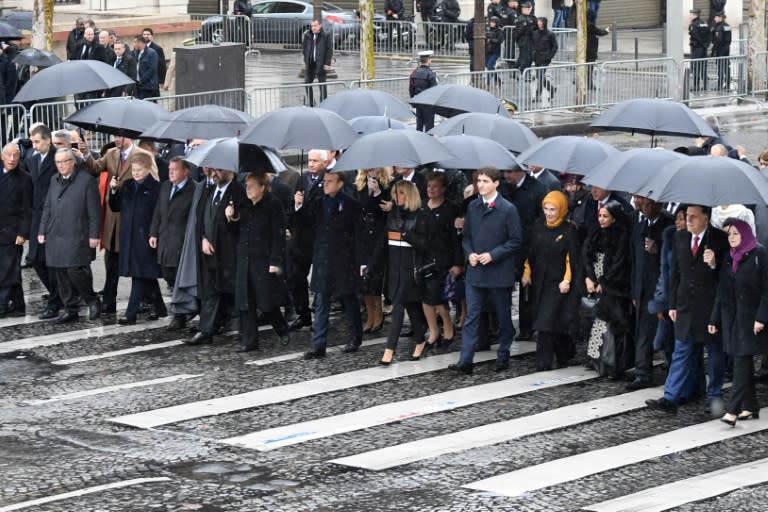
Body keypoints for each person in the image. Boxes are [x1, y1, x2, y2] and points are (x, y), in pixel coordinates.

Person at [646, 205, 729, 415]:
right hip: (685, 307)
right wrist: (672, 303)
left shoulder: (719, 239)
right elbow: (675, 274)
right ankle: (670, 398)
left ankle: (714, 397)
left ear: (706, 218)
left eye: (693, 217)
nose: (688, 220)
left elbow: (727, 275)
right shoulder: (680, 237)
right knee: (681, 351)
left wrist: (714, 264)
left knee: (715, 355)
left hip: (710, 308)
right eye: (686, 217)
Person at [449, 167, 522, 374]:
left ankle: (503, 354)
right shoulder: (473, 206)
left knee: (502, 315)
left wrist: (493, 254)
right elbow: (467, 236)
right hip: (475, 272)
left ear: (496, 183)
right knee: (471, 316)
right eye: (479, 180)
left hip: (498, 272)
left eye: (485, 181)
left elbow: (516, 240)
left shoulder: (508, 209)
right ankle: (466, 360)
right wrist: (470, 253)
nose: (480, 184)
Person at [81, 135, 158, 315]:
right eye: (115, 136)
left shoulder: (143, 154)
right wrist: (86, 155)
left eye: (120, 136)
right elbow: (95, 168)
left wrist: (128, 186)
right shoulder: (111, 154)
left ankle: (150, 301)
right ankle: (109, 301)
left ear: (129, 136)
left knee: (138, 263)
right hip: (113, 219)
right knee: (111, 262)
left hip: (133, 218)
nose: (116, 139)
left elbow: (154, 183)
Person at [299, 171, 366, 359]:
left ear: (340, 183)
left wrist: (361, 261)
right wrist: (300, 204)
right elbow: (304, 222)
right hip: (323, 259)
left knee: (348, 299)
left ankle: (355, 336)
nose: (325, 184)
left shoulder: (352, 204)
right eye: (324, 181)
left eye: (329, 182)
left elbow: (359, 235)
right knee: (321, 302)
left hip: (344, 260)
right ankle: (318, 344)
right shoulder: (318, 202)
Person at [708, 218, 767, 426]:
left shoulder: (759, 253)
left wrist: (762, 317)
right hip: (732, 318)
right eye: (729, 234)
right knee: (742, 360)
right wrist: (714, 318)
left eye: (735, 233)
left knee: (741, 361)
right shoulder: (729, 257)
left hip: (751, 319)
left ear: (745, 234)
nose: (731, 238)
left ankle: (732, 410)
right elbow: (721, 290)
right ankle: (750, 406)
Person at [38, 148, 102, 324]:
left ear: (72, 162)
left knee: (74, 270)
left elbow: (95, 211)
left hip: (77, 233)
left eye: (64, 161)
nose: (60, 165)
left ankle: (92, 300)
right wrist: (42, 229)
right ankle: (70, 308)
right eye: (57, 162)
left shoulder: (86, 180)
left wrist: (94, 235)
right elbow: (47, 207)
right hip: (55, 233)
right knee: (60, 272)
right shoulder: (54, 180)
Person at [186, 168, 247, 346]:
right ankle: (206, 330)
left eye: (219, 170)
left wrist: (233, 217)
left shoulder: (238, 192)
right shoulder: (210, 190)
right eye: (212, 170)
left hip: (229, 253)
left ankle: (242, 329)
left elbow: (244, 223)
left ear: (230, 171)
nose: (214, 173)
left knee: (234, 293)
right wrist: (203, 238)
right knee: (212, 292)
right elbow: (201, 218)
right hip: (210, 251)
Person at [231, 173, 291, 352]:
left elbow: (278, 236)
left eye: (251, 186)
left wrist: (275, 260)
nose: (247, 189)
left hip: (263, 260)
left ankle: (282, 328)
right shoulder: (245, 204)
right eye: (246, 186)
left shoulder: (273, 205)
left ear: (262, 187)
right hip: (245, 259)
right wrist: (231, 218)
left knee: (267, 302)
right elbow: (235, 231)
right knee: (246, 302)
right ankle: (250, 342)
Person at [522, 190, 578, 370]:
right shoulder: (538, 226)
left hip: (557, 283)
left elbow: (571, 258)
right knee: (552, 321)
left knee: (546, 322)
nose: (549, 213)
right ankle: (566, 354)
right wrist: (526, 273)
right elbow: (529, 253)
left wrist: (567, 280)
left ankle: (543, 363)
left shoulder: (568, 230)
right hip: (539, 282)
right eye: (546, 209)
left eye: (553, 209)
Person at [108, 152, 166, 325]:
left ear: (148, 169)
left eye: (140, 170)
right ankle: (160, 307)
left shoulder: (156, 188)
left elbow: (158, 215)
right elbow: (115, 206)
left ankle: (130, 314)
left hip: (146, 237)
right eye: (134, 169)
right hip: (129, 236)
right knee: (145, 274)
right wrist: (113, 190)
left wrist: (154, 233)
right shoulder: (126, 185)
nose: (136, 173)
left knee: (139, 274)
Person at [412, 173, 463, 358]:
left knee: (437, 297)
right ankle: (433, 331)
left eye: (435, 186)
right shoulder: (422, 207)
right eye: (428, 186)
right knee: (426, 297)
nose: (430, 189)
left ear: (443, 189)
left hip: (443, 259)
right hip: (425, 259)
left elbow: (454, 239)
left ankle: (448, 328)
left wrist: (458, 263)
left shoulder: (450, 209)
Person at [379, 180, 427, 365]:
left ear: (409, 195)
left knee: (398, 306)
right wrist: (371, 265)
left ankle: (389, 349)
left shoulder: (419, 216)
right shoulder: (392, 216)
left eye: (400, 193)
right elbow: (382, 244)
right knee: (413, 309)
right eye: (394, 193)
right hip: (394, 271)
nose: (395, 196)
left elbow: (424, 245)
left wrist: (407, 234)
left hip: (410, 272)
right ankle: (421, 339)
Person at [583, 201, 633, 378]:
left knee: (613, 325)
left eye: (606, 216)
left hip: (614, 287)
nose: (602, 220)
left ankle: (613, 363)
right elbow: (587, 256)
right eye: (600, 216)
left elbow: (619, 263)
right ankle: (596, 359)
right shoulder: (595, 233)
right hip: (598, 282)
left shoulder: (621, 236)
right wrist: (591, 277)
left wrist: (604, 282)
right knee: (597, 323)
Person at [628, 197, 673, 390]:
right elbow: (633, 261)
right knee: (643, 332)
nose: (641, 206)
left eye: (646, 202)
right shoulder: (639, 227)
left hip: (662, 289)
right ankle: (642, 372)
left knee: (666, 332)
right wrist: (634, 291)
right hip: (642, 289)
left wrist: (658, 249)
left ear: (658, 204)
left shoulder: (669, 226)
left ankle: (673, 370)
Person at [288, 149, 333, 331]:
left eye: (315, 160)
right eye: (309, 160)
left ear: (324, 163)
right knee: (296, 276)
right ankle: (303, 313)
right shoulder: (303, 178)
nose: (311, 164)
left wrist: (305, 204)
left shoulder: (328, 179)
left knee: (321, 280)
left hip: (320, 236)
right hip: (302, 237)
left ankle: (322, 317)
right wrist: (297, 204)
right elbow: (295, 209)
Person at [149, 156, 195, 331]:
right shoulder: (166, 186)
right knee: (168, 275)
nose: (171, 173)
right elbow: (158, 212)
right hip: (166, 239)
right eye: (169, 170)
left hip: (181, 240)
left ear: (185, 172)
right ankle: (186, 310)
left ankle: (180, 315)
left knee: (178, 279)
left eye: (175, 170)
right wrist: (153, 232)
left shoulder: (193, 190)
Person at [23, 126, 63, 320]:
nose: (34, 144)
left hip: (53, 217)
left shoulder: (58, 159)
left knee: (52, 262)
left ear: (48, 140)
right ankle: (59, 295)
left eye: (37, 141)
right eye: (32, 141)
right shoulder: (32, 159)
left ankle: (55, 302)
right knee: (36, 260)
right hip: (36, 217)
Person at [355, 167, 392, 334]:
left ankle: (378, 314)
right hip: (363, 236)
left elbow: (384, 213)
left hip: (378, 237)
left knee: (375, 278)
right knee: (364, 280)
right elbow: (359, 208)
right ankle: (370, 315)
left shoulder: (387, 187)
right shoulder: (360, 185)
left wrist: (377, 192)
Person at [0, 143, 32, 318]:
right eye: (8, 155)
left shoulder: (24, 178)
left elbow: (28, 209)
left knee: (6, 270)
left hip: (12, 232)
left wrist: (23, 233)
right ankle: (19, 304)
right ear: (2, 156)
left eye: (15, 155)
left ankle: (2, 305)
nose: (12, 159)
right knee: (10, 270)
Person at [302, 20, 333, 107]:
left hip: (321, 63)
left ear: (320, 26)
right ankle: (311, 104)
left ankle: (324, 104)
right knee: (307, 83)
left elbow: (329, 50)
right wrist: (306, 60)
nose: (313, 28)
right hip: (310, 63)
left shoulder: (325, 35)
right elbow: (304, 49)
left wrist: (327, 63)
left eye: (315, 26)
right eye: (312, 26)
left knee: (322, 84)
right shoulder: (308, 35)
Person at [409, 51, 438, 132]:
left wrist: (413, 98)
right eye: (430, 59)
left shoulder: (414, 73)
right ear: (428, 60)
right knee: (429, 126)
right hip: (429, 103)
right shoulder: (431, 74)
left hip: (418, 102)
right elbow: (435, 90)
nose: (431, 60)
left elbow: (411, 88)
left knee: (419, 124)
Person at [532, 17, 557, 102]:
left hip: (545, 59)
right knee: (540, 77)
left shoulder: (550, 34)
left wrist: (550, 56)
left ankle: (537, 95)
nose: (539, 23)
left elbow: (555, 46)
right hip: (537, 58)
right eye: (538, 21)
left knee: (540, 76)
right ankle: (552, 89)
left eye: (540, 22)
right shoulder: (534, 33)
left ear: (544, 23)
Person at [586, 8, 609, 90]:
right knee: (589, 68)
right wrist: (606, 31)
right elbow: (599, 32)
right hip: (590, 49)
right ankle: (589, 85)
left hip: (585, 49)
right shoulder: (591, 25)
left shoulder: (584, 23)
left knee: (585, 67)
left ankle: (579, 81)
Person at [689, 8, 710, 92]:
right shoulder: (704, 23)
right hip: (703, 48)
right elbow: (709, 34)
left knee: (696, 67)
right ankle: (705, 85)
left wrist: (701, 43)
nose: (689, 16)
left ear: (695, 15)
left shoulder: (694, 25)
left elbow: (696, 36)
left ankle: (696, 86)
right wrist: (706, 45)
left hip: (697, 48)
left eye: (691, 14)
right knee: (703, 67)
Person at [133, 35, 160, 100]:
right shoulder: (136, 52)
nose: (133, 44)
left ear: (140, 43)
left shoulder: (151, 52)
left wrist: (142, 80)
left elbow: (152, 69)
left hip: (148, 86)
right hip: (139, 86)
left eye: (135, 42)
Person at [710, 11, 731, 91]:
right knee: (725, 68)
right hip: (724, 49)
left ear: (720, 17)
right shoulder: (723, 26)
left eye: (716, 17)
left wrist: (715, 49)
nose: (715, 18)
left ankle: (721, 85)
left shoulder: (721, 27)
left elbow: (719, 40)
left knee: (722, 68)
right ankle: (726, 85)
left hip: (721, 50)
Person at [515, 2, 536, 73]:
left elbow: (536, 28)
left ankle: (515, 70)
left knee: (528, 58)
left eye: (526, 8)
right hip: (523, 40)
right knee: (525, 58)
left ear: (530, 9)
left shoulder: (533, 18)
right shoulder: (520, 18)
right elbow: (519, 31)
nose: (524, 9)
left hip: (531, 41)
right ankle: (524, 73)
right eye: (523, 8)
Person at [485, 17, 504, 87]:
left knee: (490, 66)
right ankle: (498, 79)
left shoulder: (499, 31)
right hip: (488, 51)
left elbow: (500, 40)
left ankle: (487, 83)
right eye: (491, 22)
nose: (491, 23)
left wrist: (491, 40)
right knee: (488, 66)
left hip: (495, 52)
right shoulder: (487, 29)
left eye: (493, 22)